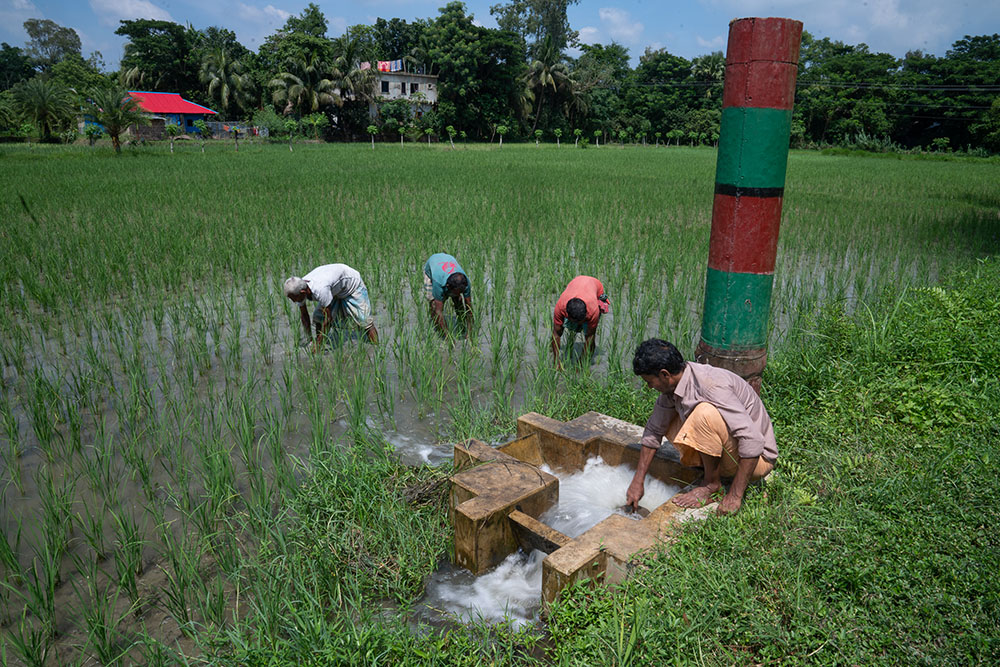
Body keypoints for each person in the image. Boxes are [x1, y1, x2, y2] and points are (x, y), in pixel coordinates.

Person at [626, 339, 777, 515]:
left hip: (758, 460)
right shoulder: (673, 388)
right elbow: (653, 431)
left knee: (703, 414)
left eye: (650, 382)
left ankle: (712, 484)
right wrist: (638, 480)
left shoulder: (711, 386)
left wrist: (735, 496)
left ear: (665, 374)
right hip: (733, 450)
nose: (649, 387)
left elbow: (752, 440)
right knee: (667, 420)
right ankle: (711, 471)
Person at [283, 263, 378, 349]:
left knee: (364, 320)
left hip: (351, 284)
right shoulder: (299, 288)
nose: (293, 301)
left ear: (303, 292)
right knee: (318, 317)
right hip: (334, 288)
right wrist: (310, 340)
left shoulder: (320, 289)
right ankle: (318, 342)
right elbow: (304, 315)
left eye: (293, 298)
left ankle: (377, 349)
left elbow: (328, 319)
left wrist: (318, 345)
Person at [551, 275, 610, 370]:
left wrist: (580, 364)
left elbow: (590, 337)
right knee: (559, 330)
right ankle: (553, 352)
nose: (579, 324)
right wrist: (556, 362)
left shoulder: (593, 310)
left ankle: (584, 362)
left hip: (595, 285)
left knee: (590, 335)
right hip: (576, 282)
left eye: (582, 321)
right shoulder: (560, 307)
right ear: (568, 315)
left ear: (586, 313)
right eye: (576, 322)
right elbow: (556, 334)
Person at [423, 253, 473, 336]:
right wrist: (448, 338)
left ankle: (462, 325)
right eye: (456, 293)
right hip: (432, 269)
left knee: (458, 301)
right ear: (448, 287)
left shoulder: (465, 283)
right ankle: (437, 328)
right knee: (434, 305)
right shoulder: (437, 282)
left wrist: (470, 332)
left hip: (448, 260)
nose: (458, 294)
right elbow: (438, 311)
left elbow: (469, 309)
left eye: (460, 292)